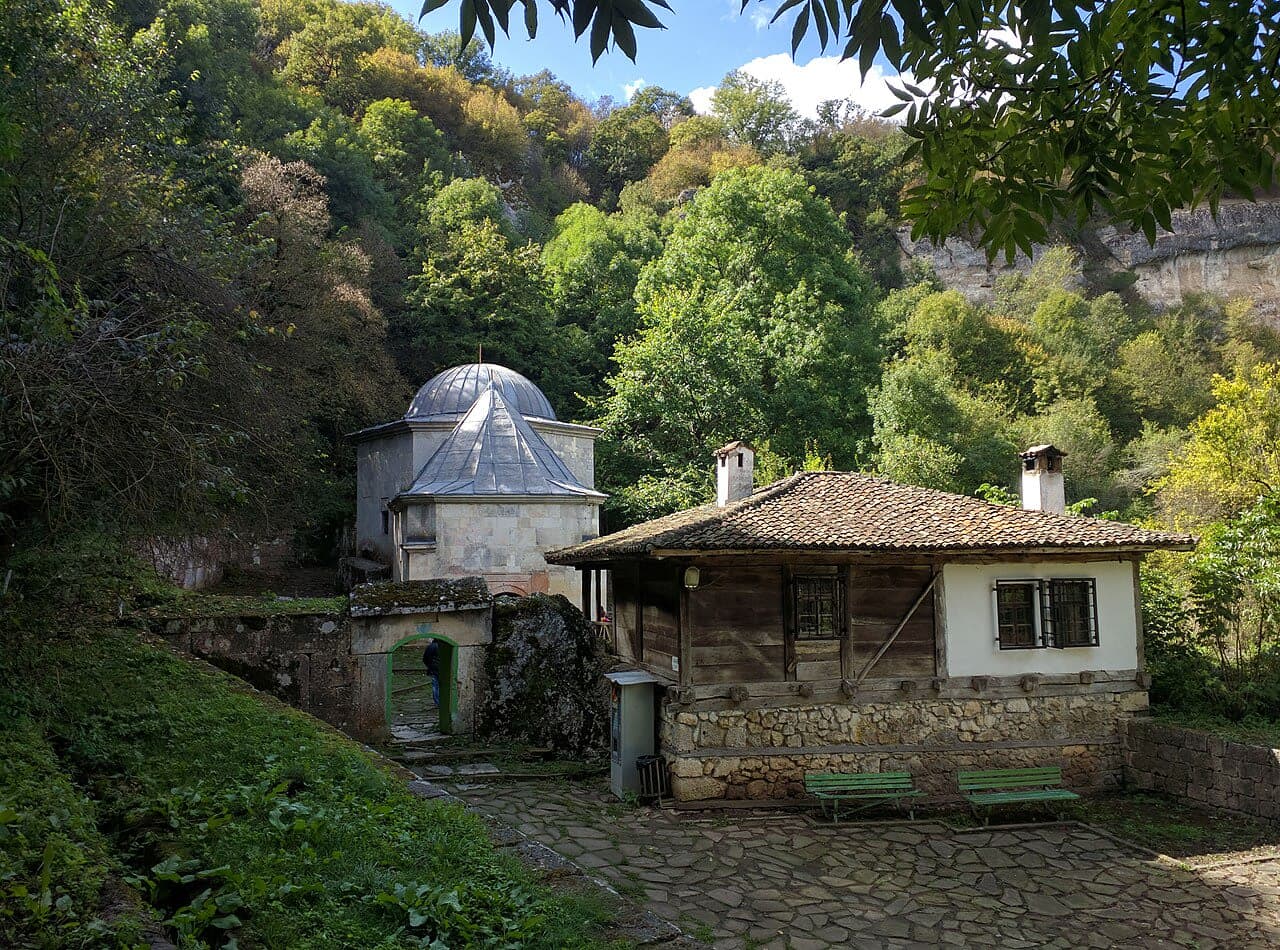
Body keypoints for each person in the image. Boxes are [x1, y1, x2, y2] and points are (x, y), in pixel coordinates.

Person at [422, 639, 440, 707]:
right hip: (441, 668)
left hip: (433, 668)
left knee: (435, 685)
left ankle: (437, 702)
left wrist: (429, 665)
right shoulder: (441, 646)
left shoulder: (432, 646)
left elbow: (425, 657)